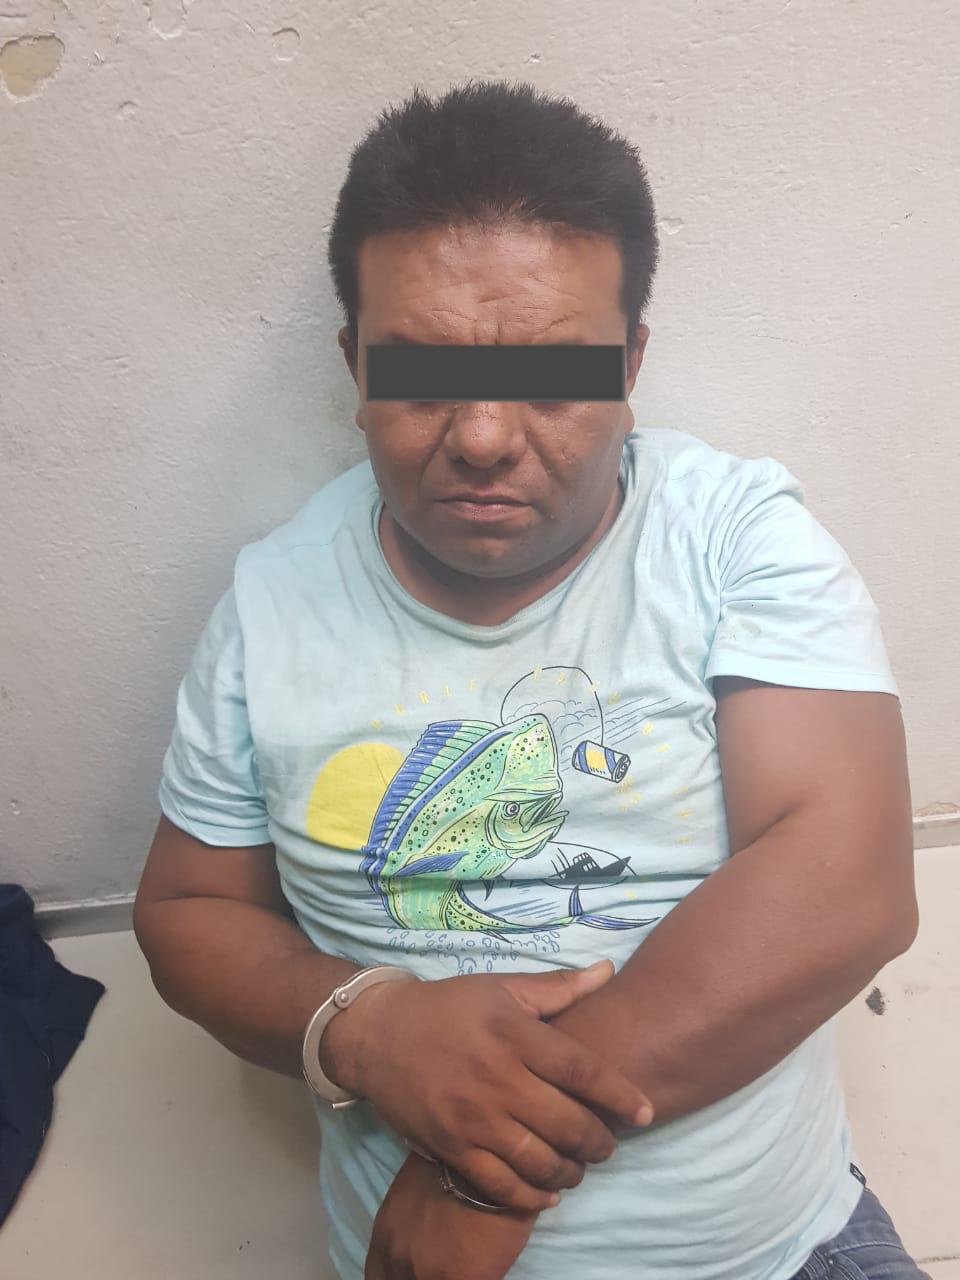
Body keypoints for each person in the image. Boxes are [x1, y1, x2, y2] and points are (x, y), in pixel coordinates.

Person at [133, 79, 929, 1280]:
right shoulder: (270, 599)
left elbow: (847, 885)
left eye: (554, 375)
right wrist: (361, 1023)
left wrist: (485, 1172)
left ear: (631, 361)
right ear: (355, 366)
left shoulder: (733, 536)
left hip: (782, 1253)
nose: (485, 436)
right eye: (420, 375)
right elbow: (187, 911)